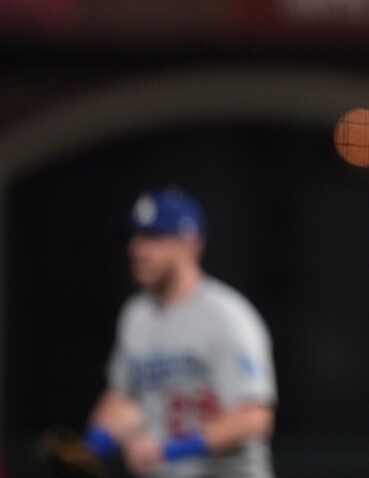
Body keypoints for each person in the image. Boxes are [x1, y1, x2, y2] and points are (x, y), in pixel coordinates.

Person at [83, 187, 278, 477]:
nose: (138, 250)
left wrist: (168, 450)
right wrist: (87, 451)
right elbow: (122, 400)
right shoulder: (136, 316)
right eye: (136, 237)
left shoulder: (227, 315)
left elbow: (254, 417)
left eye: (155, 238)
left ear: (191, 244)